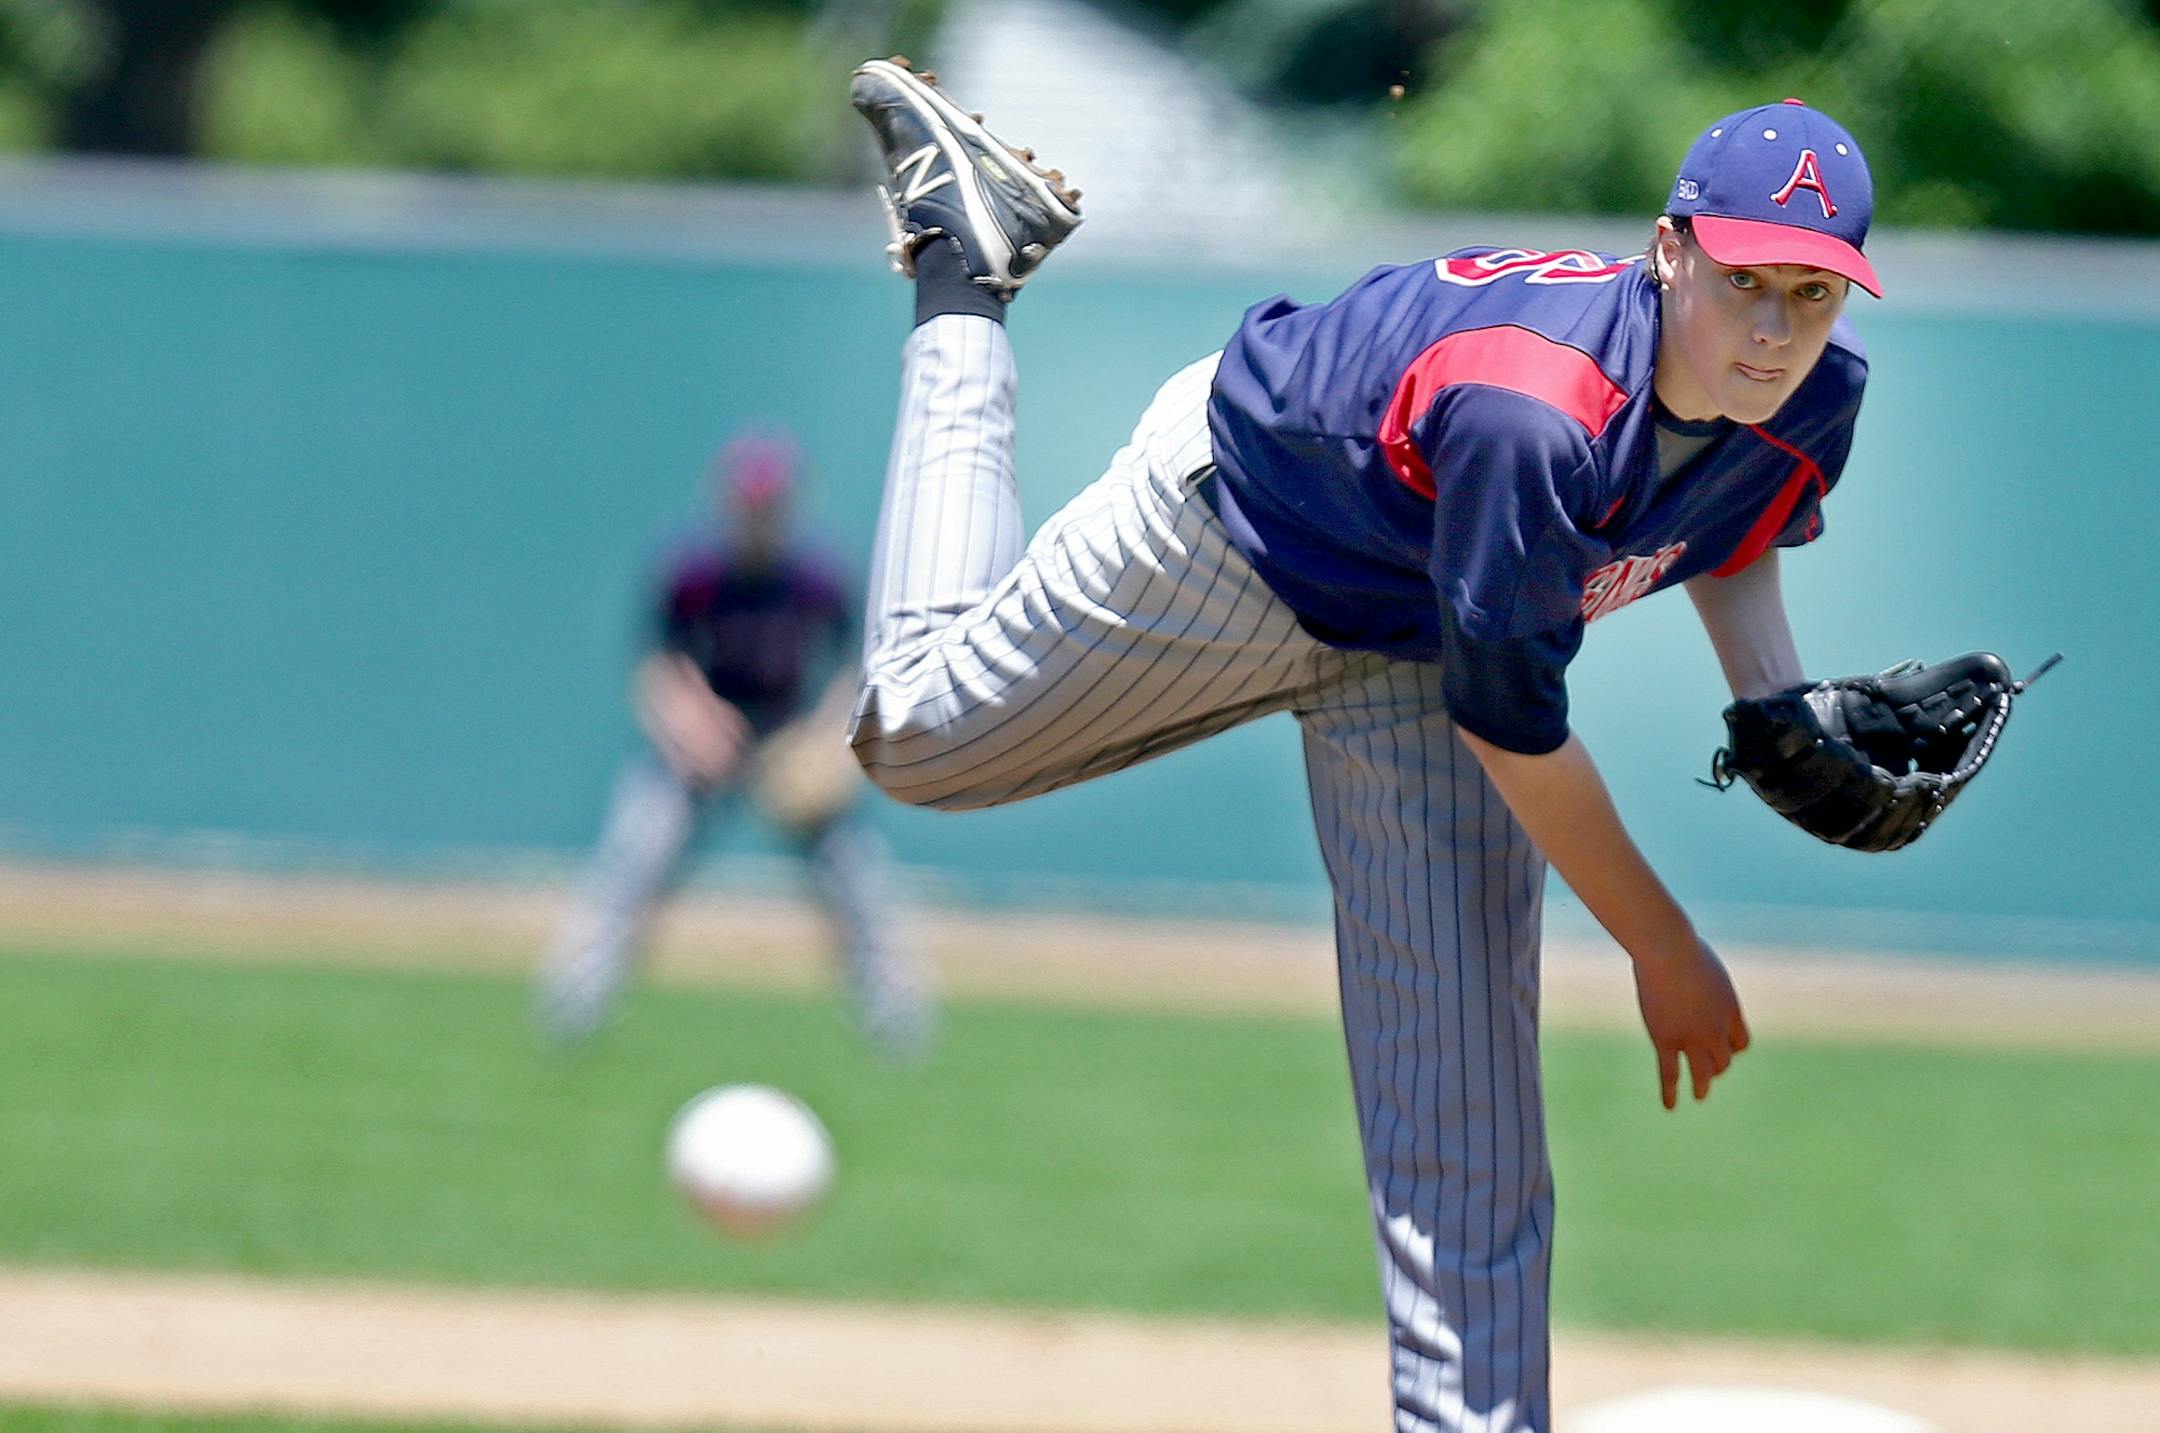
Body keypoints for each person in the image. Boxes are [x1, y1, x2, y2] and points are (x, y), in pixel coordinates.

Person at [848, 57, 1882, 1432]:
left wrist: (1774, 702)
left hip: (1416, 632)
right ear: (1670, 249)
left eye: (1809, 291)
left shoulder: (1811, 394)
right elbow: (1516, 734)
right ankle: (966, 281)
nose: (1772, 327)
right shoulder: (1536, 412)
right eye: (1743, 279)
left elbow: (1730, 527)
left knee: (1466, 1128)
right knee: (915, 737)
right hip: (1234, 534)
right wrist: (1663, 945)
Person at [536, 431, 934, 1062]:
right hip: (705, 739)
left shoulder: (818, 580)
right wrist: (691, 724)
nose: (758, 516)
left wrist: (830, 741)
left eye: (770, 505)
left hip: (787, 734)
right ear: (726, 504)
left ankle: (897, 1026)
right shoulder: (693, 574)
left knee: (855, 877)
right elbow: (659, 665)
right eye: (749, 504)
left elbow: (854, 667)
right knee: (634, 860)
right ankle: (572, 1011)